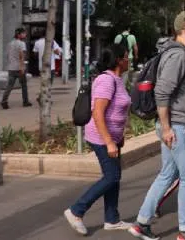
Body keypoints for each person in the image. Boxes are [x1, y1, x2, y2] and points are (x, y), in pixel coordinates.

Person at [128, 10, 185, 240]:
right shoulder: (178, 55)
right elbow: (162, 92)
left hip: (175, 124)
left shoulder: (177, 53)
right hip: (178, 126)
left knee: (167, 174)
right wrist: (166, 128)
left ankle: (142, 223)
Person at [64, 43, 133, 234]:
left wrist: (119, 136)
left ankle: (112, 219)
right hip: (101, 138)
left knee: (114, 177)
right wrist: (109, 141)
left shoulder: (117, 79)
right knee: (112, 176)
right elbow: (98, 113)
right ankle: (76, 210)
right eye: (126, 56)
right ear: (118, 60)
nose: (129, 60)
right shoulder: (106, 80)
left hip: (112, 137)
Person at [1, 27, 31, 109]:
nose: (25, 35)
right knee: (24, 85)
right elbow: (21, 56)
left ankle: (4, 101)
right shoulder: (22, 44)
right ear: (19, 34)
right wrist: (22, 67)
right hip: (19, 68)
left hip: (11, 68)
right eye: (23, 33)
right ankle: (25, 101)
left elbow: (8, 56)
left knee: (9, 86)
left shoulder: (10, 43)